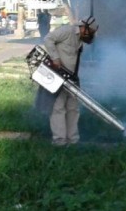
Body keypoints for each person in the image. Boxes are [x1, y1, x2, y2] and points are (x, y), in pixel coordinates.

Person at [41, 16, 98, 146]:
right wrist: (55, 58)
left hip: (71, 78)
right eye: (92, 33)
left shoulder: (80, 40)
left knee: (73, 109)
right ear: (85, 28)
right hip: (58, 76)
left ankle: (73, 140)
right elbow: (48, 39)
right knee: (58, 108)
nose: (91, 36)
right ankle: (60, 141)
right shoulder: (67, 31)